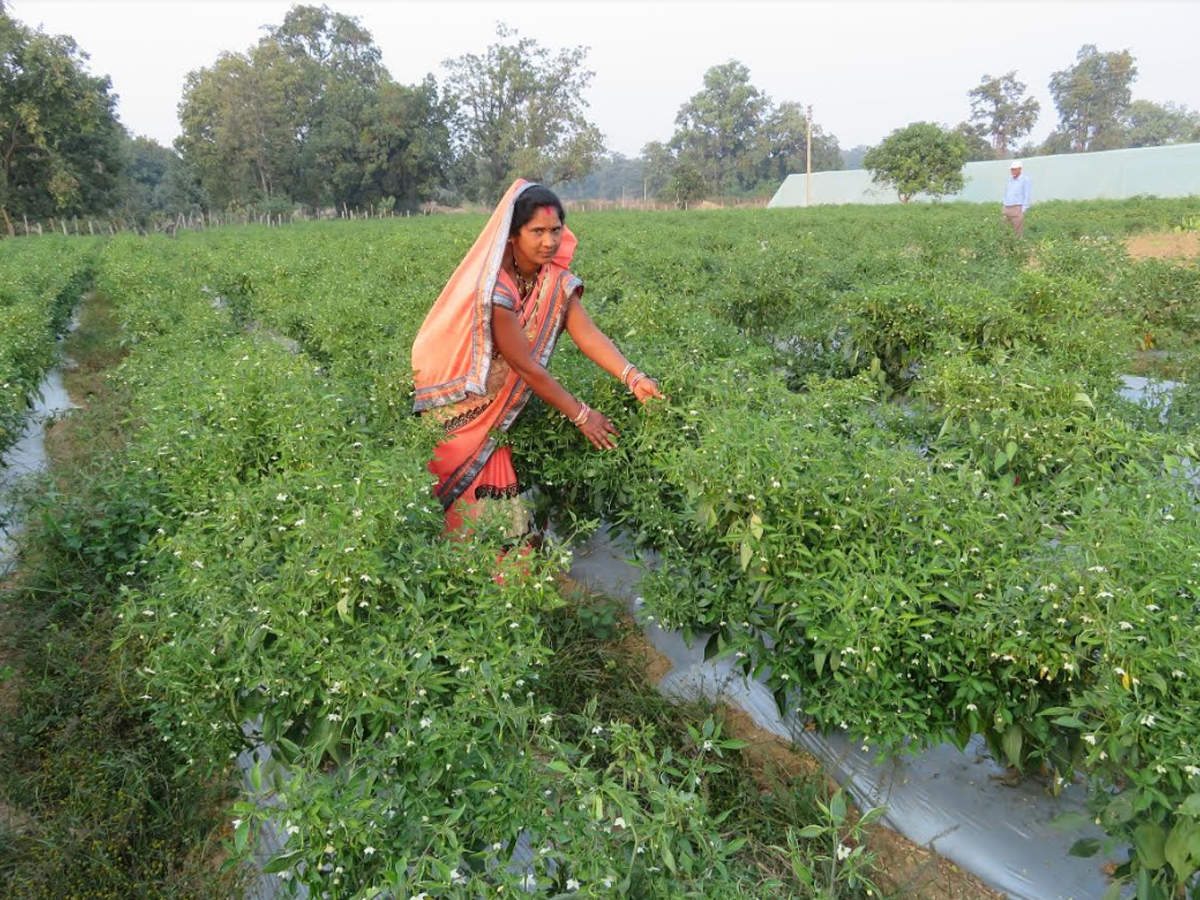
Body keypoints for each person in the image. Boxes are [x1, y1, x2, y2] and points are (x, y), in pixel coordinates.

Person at [411, 179, 663, 536]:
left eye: (556, 230)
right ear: (513, 235)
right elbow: (525, 366)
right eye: (538, 231)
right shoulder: (496, 290)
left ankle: (510, 575)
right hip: (464, 413)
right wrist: (582, 415)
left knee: (498, 507)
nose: (549, 241)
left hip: (497, 418)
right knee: (460, 505)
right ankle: (475, 576)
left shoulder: (555, 281)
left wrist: (633, 377)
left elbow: (587, 334)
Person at [1002, 160, 1032, 237]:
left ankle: (1018, 247)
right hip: (1007, 207)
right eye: (1011, 169)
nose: (1012, 171)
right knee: (1004, 229)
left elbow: (1027, 195)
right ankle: (1006, 246)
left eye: (1014, 169)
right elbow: (1007, 192)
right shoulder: (1010, 179)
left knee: (1017, 232)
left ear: (1020, 169)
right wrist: (1004, 205)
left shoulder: (1025, 180)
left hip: (1017, 208)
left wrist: (1023, 210)